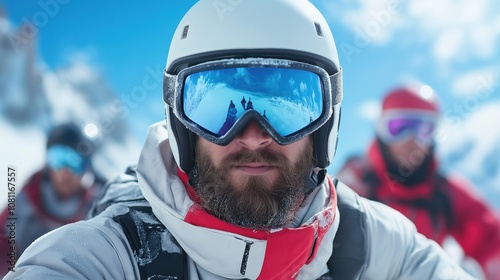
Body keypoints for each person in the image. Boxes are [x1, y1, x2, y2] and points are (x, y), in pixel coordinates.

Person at [6, 1, 474, 279]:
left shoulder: (359, 237)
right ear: (181, 122)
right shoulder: (116, 253)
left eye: (287, 105)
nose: (252, 136)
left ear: (326, 120)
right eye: (217, 108)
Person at [336, 84, 500, 279]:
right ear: (381, 130)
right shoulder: (357, 182)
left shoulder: (443, 191)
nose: (411, 140)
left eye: (424, 129)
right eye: (398, 128)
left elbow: (490, 238)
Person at [0, 123, 105, 276]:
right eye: (59, 159)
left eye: (76, 162)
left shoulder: (95, 212)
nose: (65, 171)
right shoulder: (27, 198)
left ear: (88, 169)